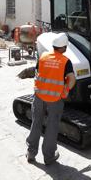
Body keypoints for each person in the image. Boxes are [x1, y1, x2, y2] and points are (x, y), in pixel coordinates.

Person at [26, 33, 76, 165]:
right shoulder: (65, 61)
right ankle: (49, 156)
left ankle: (31, 152)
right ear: (64, 47)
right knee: (52, 127)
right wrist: (64, 92)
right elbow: (71, 79)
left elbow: (37, 73)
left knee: (36, 122)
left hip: (39, 96)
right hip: (55, 99)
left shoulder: (43, 56)